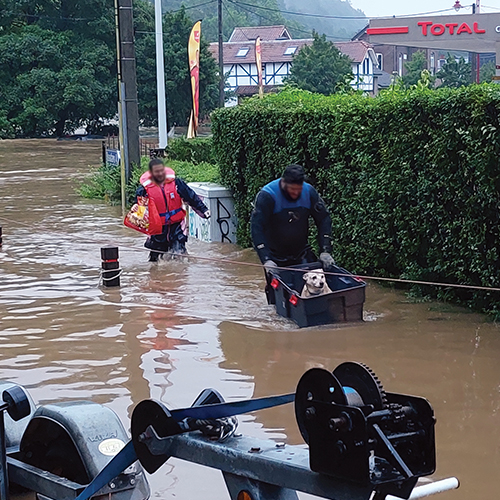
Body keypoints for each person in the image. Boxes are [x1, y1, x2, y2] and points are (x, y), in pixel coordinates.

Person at [251, 164, 335, 271]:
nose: (296, 193)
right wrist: (266, 259)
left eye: (298, 189)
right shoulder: (267, 196)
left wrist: (325, 250)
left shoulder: (309, 192)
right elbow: (257, 228)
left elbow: (324, 218)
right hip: (275, 256)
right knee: (279, 286)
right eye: (292, 189)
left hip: (301, 252)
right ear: (283, 182)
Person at [136, 159, 210, 262]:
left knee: (180, 257)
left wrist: (204, 210)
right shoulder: (144, 190)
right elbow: (140, 210)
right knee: (155, 261)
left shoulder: (176, 183)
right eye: (157, 172)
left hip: (177, 226)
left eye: (161, 171)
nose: (160, 174)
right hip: (158, 229)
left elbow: (191, 196)